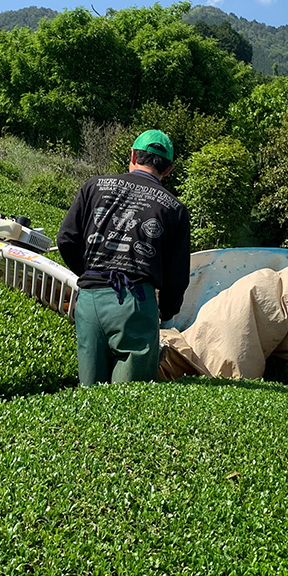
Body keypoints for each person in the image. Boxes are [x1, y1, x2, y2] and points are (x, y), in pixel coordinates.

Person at [55, 129, 193, 387]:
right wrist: (167, 312)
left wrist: (90, 274)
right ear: (169, 169)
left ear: (133, 155)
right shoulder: (174, 208)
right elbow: (176, 276)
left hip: (90, 302)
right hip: (136, 303)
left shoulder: (94, 186)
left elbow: (66, 239)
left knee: (89, 394)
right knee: (128, 397)